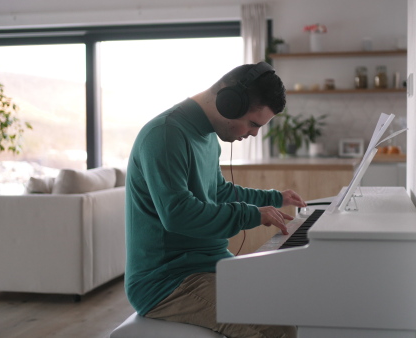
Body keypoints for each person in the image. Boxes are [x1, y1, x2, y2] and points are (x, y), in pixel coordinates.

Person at [124, 62, 306, 338]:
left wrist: (273, 198)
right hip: (166, 282)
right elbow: (178, 214)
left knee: (289, 306)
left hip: (208, 266)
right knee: (276, 330)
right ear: (228, 101)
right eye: (253, 123)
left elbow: (218, 192)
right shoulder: (165, 135)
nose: (255, 133)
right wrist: (252, 215)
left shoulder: (207, 137)